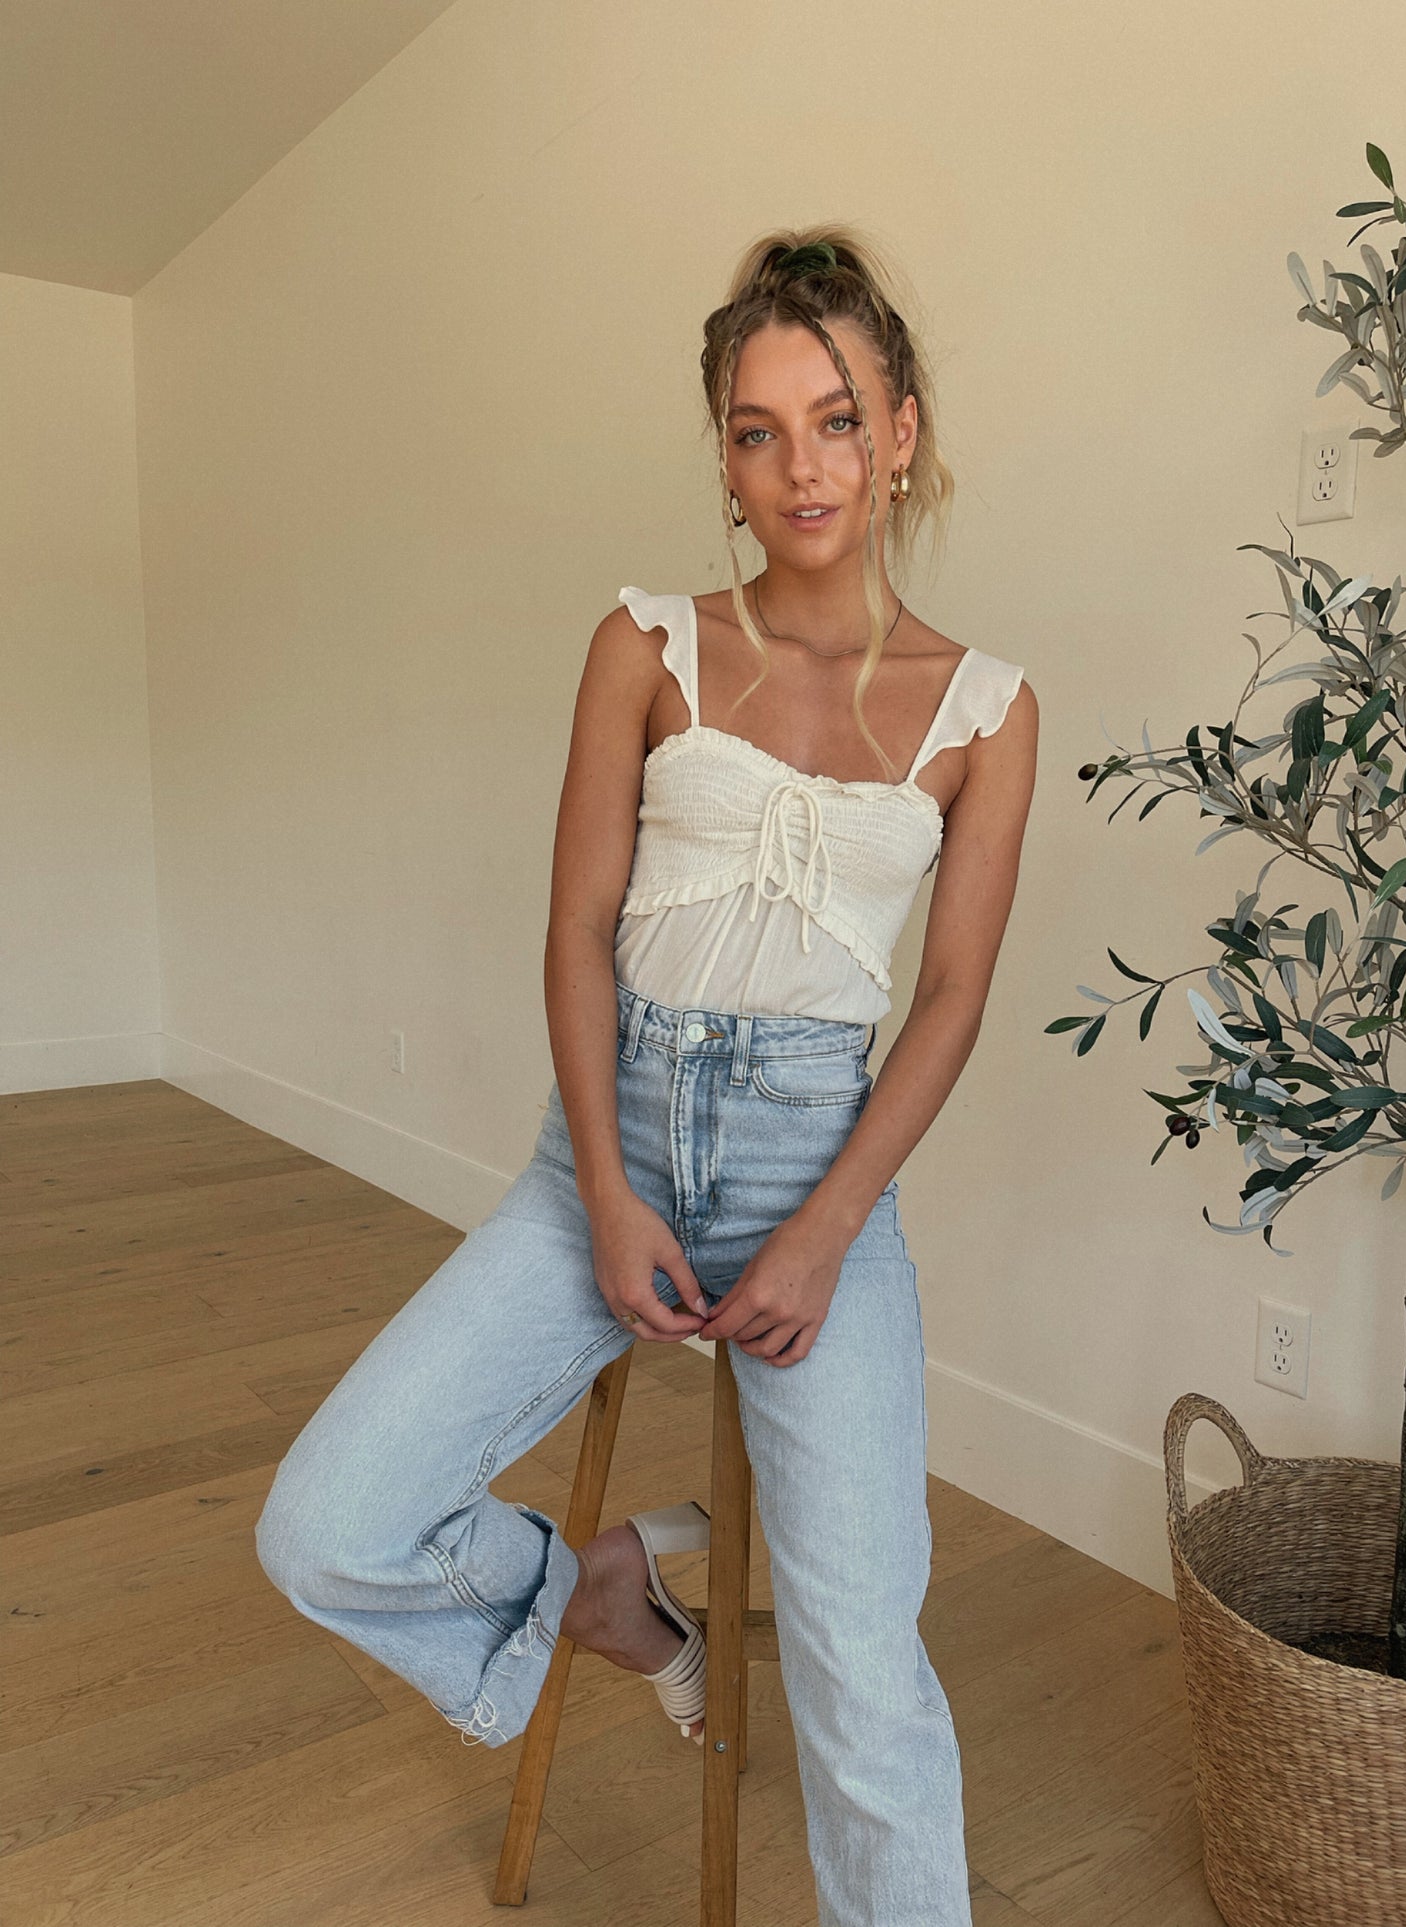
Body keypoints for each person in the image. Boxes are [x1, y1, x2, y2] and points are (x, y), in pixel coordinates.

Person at [255, 225, 1038, 1927]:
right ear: (724, 458)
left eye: (834, 419)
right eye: (756, 432)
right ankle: (598, 1601)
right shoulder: (647, 644)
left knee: (859, 1659)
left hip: (814, 1182)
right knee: (323, 1526)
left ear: (900, 428)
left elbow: (954, 999)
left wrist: (828, 1230)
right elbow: (576, 930)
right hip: (598, 1166)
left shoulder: (984, 706)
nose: (799, 467)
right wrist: (606, 1193)